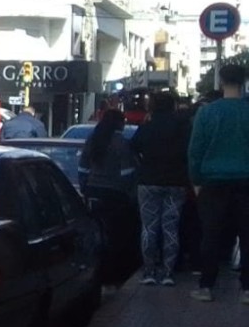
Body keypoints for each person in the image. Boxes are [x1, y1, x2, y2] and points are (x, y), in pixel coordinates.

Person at [187, 64, 249, 303]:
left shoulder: (207, 113)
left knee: (210, 236)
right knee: (247, 236)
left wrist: (197, 181)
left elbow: (195, 150)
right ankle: (246, 289)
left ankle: (206, 286)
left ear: (221, 82)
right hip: (245, 182)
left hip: (212, 183)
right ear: (243, 82)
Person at [131, 91, 190, 286]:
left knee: (149, 227)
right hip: (176, 182)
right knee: (171, 227)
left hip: (148, 181)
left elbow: (133, 147)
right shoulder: (182, 126)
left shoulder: (147, 126)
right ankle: (168, 272)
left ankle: (149, 271)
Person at [80, 109, 140, 290]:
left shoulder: (93, 140)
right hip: (115, 196)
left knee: (97, 236)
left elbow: (83, 169)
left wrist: (86, 189)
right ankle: (113, 276)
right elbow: (128, 173)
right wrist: (130, 196)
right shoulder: (121, 143)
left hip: (94, 193)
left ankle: (97, 272)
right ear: (120, 124)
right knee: (117, 238)